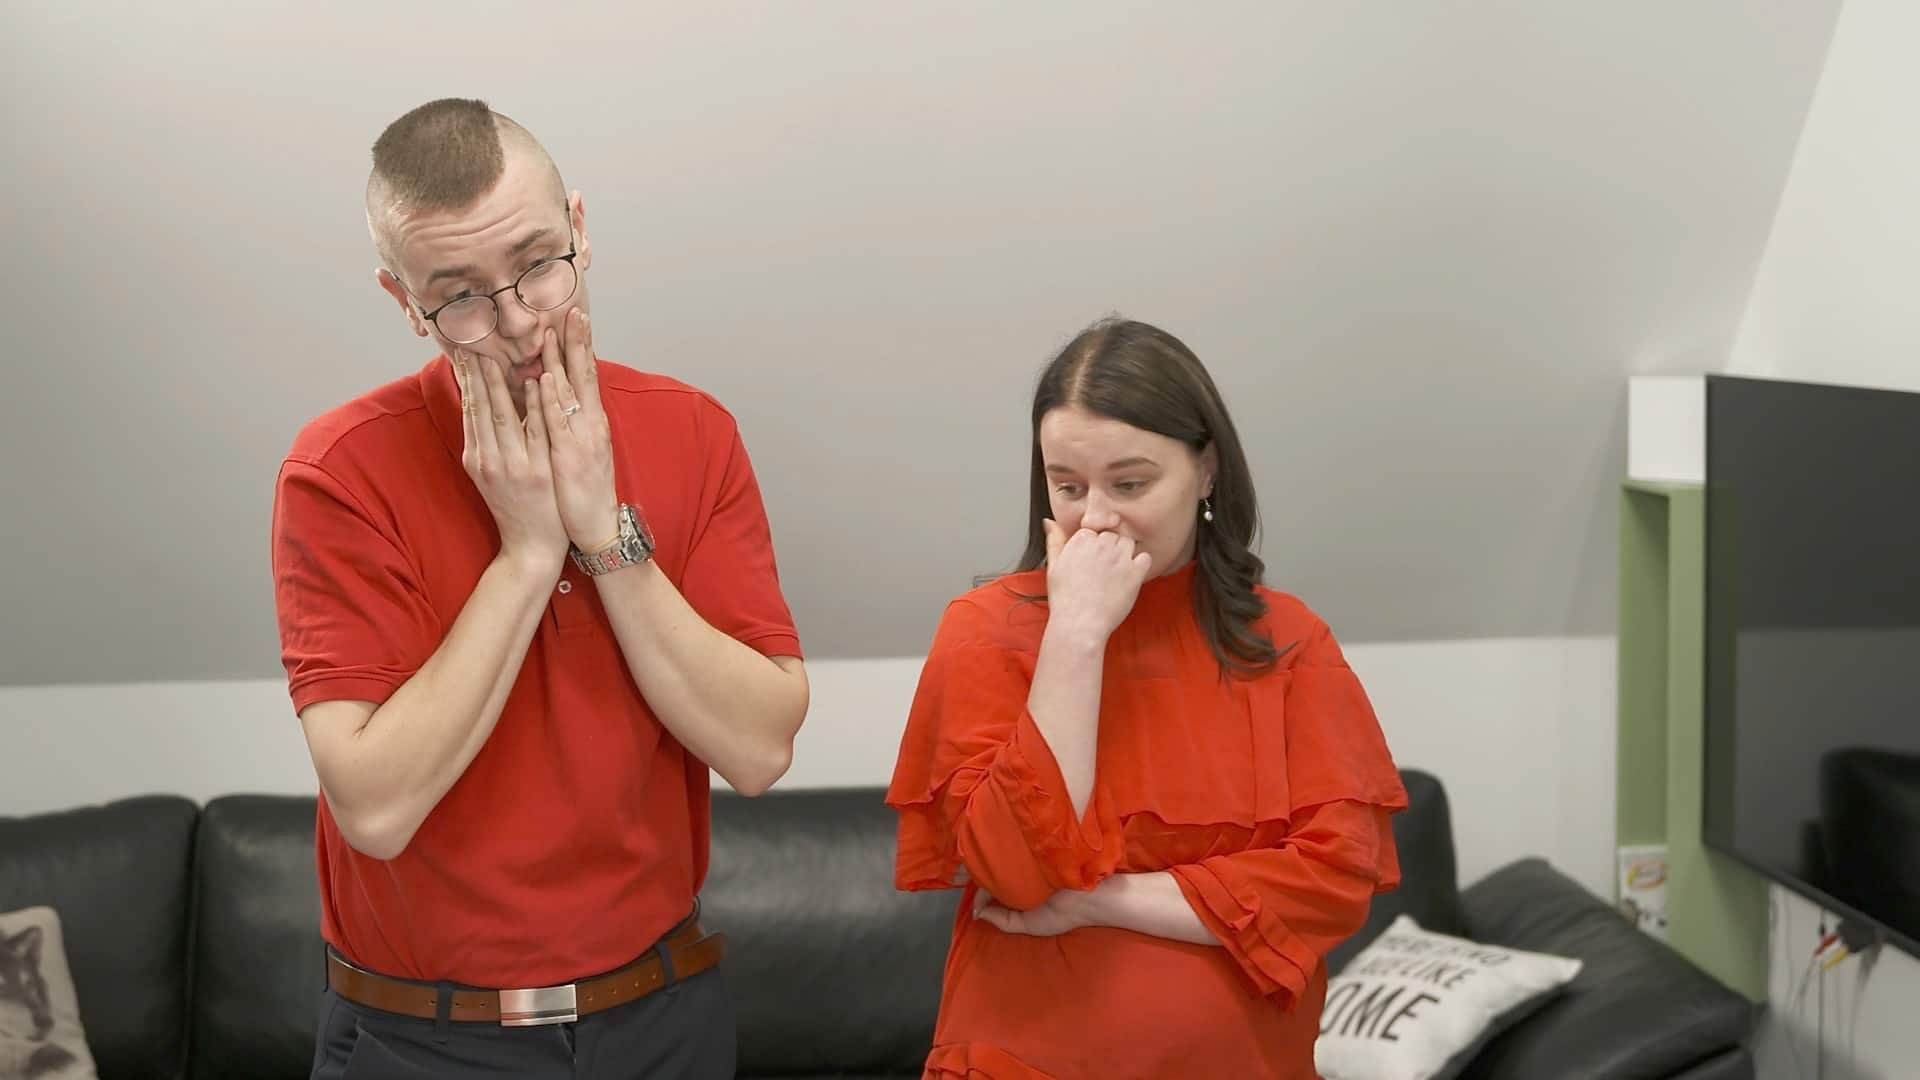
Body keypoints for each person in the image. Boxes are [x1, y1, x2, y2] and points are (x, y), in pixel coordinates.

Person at [269, 97, 808, 1077]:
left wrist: (603, 535)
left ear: (580, 229)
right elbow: (376, 811)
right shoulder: (338, 471)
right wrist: (524, 554)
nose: (518, 322)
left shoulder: (694, 431)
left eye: (536, 265)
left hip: (665, 1015)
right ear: (404, 301)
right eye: (461, 297)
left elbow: (761, 749)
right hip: (421, 1040)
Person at [885, 317, 1409, 1078]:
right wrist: (1075, 635)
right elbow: (1016, 874)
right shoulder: (983, 630)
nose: (1097, 517)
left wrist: (1099, 900)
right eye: (1069, 486)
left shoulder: (1289, 640)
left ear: (1207, 471)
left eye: (1130, 484)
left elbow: (1333, 883)